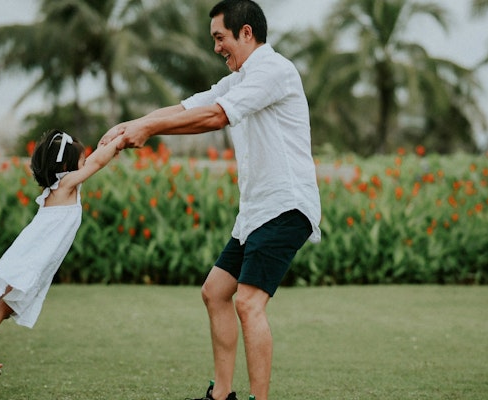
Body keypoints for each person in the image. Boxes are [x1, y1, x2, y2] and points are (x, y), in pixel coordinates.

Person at [98, 1, 321, 398]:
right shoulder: (241, 77)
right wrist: (134, 124)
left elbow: (215, 117)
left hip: (285, 206)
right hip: (256, 211)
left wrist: (148, 128)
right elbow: (192, 107)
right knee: (215, 291)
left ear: (246, 33)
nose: (217, 47)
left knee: (249, 303)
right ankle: (220, 396)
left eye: (221, 37)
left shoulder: (272, 70)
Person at [0, 129, 123, 379]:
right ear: (67, 166)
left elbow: (96, 158)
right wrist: (121, 140)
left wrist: (110, 146)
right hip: (31, 259)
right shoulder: (65, 185)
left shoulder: (59, 188)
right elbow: (97, 162)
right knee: (4, 306)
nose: (86, 164)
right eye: (81, 161)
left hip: (28, 255)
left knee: (3, 304)